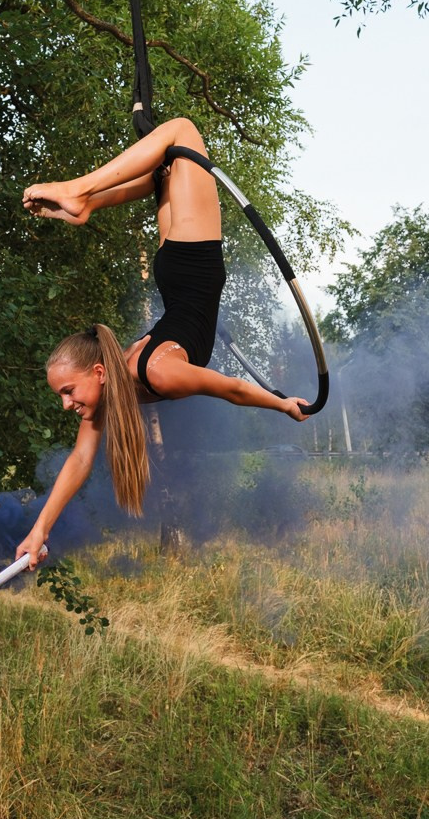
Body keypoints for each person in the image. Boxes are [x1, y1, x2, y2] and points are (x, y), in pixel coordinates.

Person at [15, 117, 309, 568]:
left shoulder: (154, 371)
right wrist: (38, 532)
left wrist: (282, 403)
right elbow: (78, 462)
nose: (66, 404)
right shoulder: (124, 379)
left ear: (97, 372)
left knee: (181, 135)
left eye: (67, 391)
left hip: (191, 262)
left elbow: (230, 388)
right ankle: (84, 202)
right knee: (167, 163)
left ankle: (80, 193)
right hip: (181, 266)